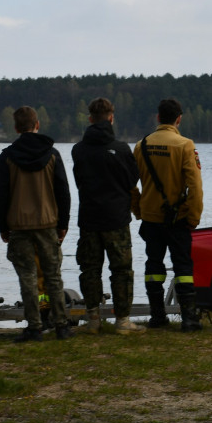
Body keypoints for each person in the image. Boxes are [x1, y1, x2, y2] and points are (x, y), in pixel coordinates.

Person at [0, 106, 73, 342]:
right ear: (37, 124)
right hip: (48, 223)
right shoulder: (52, 155)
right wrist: (63, 223)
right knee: (53, 276)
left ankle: (35, 327)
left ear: (16, 128)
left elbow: (1, 195)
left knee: (27, 278)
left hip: (19, 225)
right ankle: (61, 326)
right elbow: (63, 192)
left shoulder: (7, 157)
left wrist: (2, 226)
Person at [71, 97, 144, 336]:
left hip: (89, 218)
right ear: (111, 118)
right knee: (122, 270)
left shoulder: (78, 150)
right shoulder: (122, 149)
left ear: (90, 119)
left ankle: (93, 319)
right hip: (117, 219)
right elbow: (132, 180)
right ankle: (122, 320)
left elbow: (79, 181)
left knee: (90, 269)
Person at [131, 98, 205, 331]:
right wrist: (193, 216)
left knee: (153, 266)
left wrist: (138, 209)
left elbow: (129, 184)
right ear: (179, 119)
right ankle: (189, 318)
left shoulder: (140, 146)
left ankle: (157, 316)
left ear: (157, 117)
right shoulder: (185, 145)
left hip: (151, 219)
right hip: (178, 220)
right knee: (183, 268)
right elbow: (195, 187)